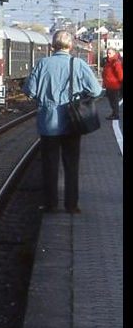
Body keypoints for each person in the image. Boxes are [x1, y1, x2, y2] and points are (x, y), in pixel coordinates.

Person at [23, 30, 103, 214]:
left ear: (53, 45)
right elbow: (96, 90)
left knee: (49, 165)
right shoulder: (78, 64)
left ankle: (51, 204)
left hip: (48, 122)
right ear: (71, 45)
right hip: (72, 121)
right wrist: (80, 96)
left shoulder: (43, 64)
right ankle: (71, 205)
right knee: (72, 164)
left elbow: (30, 90)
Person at [102, 47, 123, 120]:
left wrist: (120, 83)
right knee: (112, 101)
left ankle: (115, 115)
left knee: (114, 101)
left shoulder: (115, 62)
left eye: (110, 53)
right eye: (107, 53)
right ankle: (114, 114)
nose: (108, 54)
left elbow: (120, 75)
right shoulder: (108, 62)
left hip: (114, 85)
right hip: (109, 85)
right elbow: (105, 74)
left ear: (114, 53)